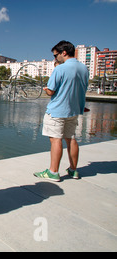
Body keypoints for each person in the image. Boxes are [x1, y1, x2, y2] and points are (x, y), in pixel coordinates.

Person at [34, 40, 89, 182]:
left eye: (56, 55)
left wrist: (47, 89)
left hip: (57, 111)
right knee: (71, 139)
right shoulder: (84, 69)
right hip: (73, 111)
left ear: (64, 53)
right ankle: (73, 170)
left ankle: (53, 172)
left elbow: (51, 91)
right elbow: (81, 90)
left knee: (56, 140)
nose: (55, 58)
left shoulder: (60, 69)